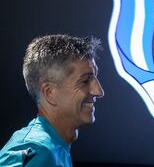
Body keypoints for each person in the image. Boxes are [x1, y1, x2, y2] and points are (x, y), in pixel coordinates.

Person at [0, 34, 104, 167]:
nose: (99, 91)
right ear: (49, 93)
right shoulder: (39, 151)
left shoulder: (54, 146)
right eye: (85, 81)